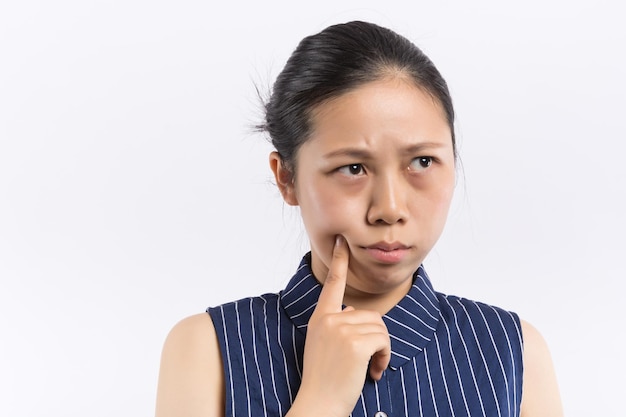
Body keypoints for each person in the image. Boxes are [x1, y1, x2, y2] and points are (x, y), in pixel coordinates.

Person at [154, 21, 563, 417]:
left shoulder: (514, 350)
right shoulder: (208, 348)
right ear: (287, 178)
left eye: (422, 161)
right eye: (353, 168)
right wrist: (321, 402)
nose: (389, 208)